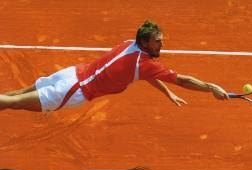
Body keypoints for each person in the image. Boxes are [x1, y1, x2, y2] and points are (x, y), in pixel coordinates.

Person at [0, 20, 228, 112]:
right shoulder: (144, 62)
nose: (162, 43)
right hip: (72, 91)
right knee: (14, 103)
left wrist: (167, 93)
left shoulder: (130, 45)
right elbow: (183, 79)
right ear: (145, 42)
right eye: (158, 40)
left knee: (15, 95)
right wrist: (211, 88)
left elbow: (145, 74)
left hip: (69, 74)